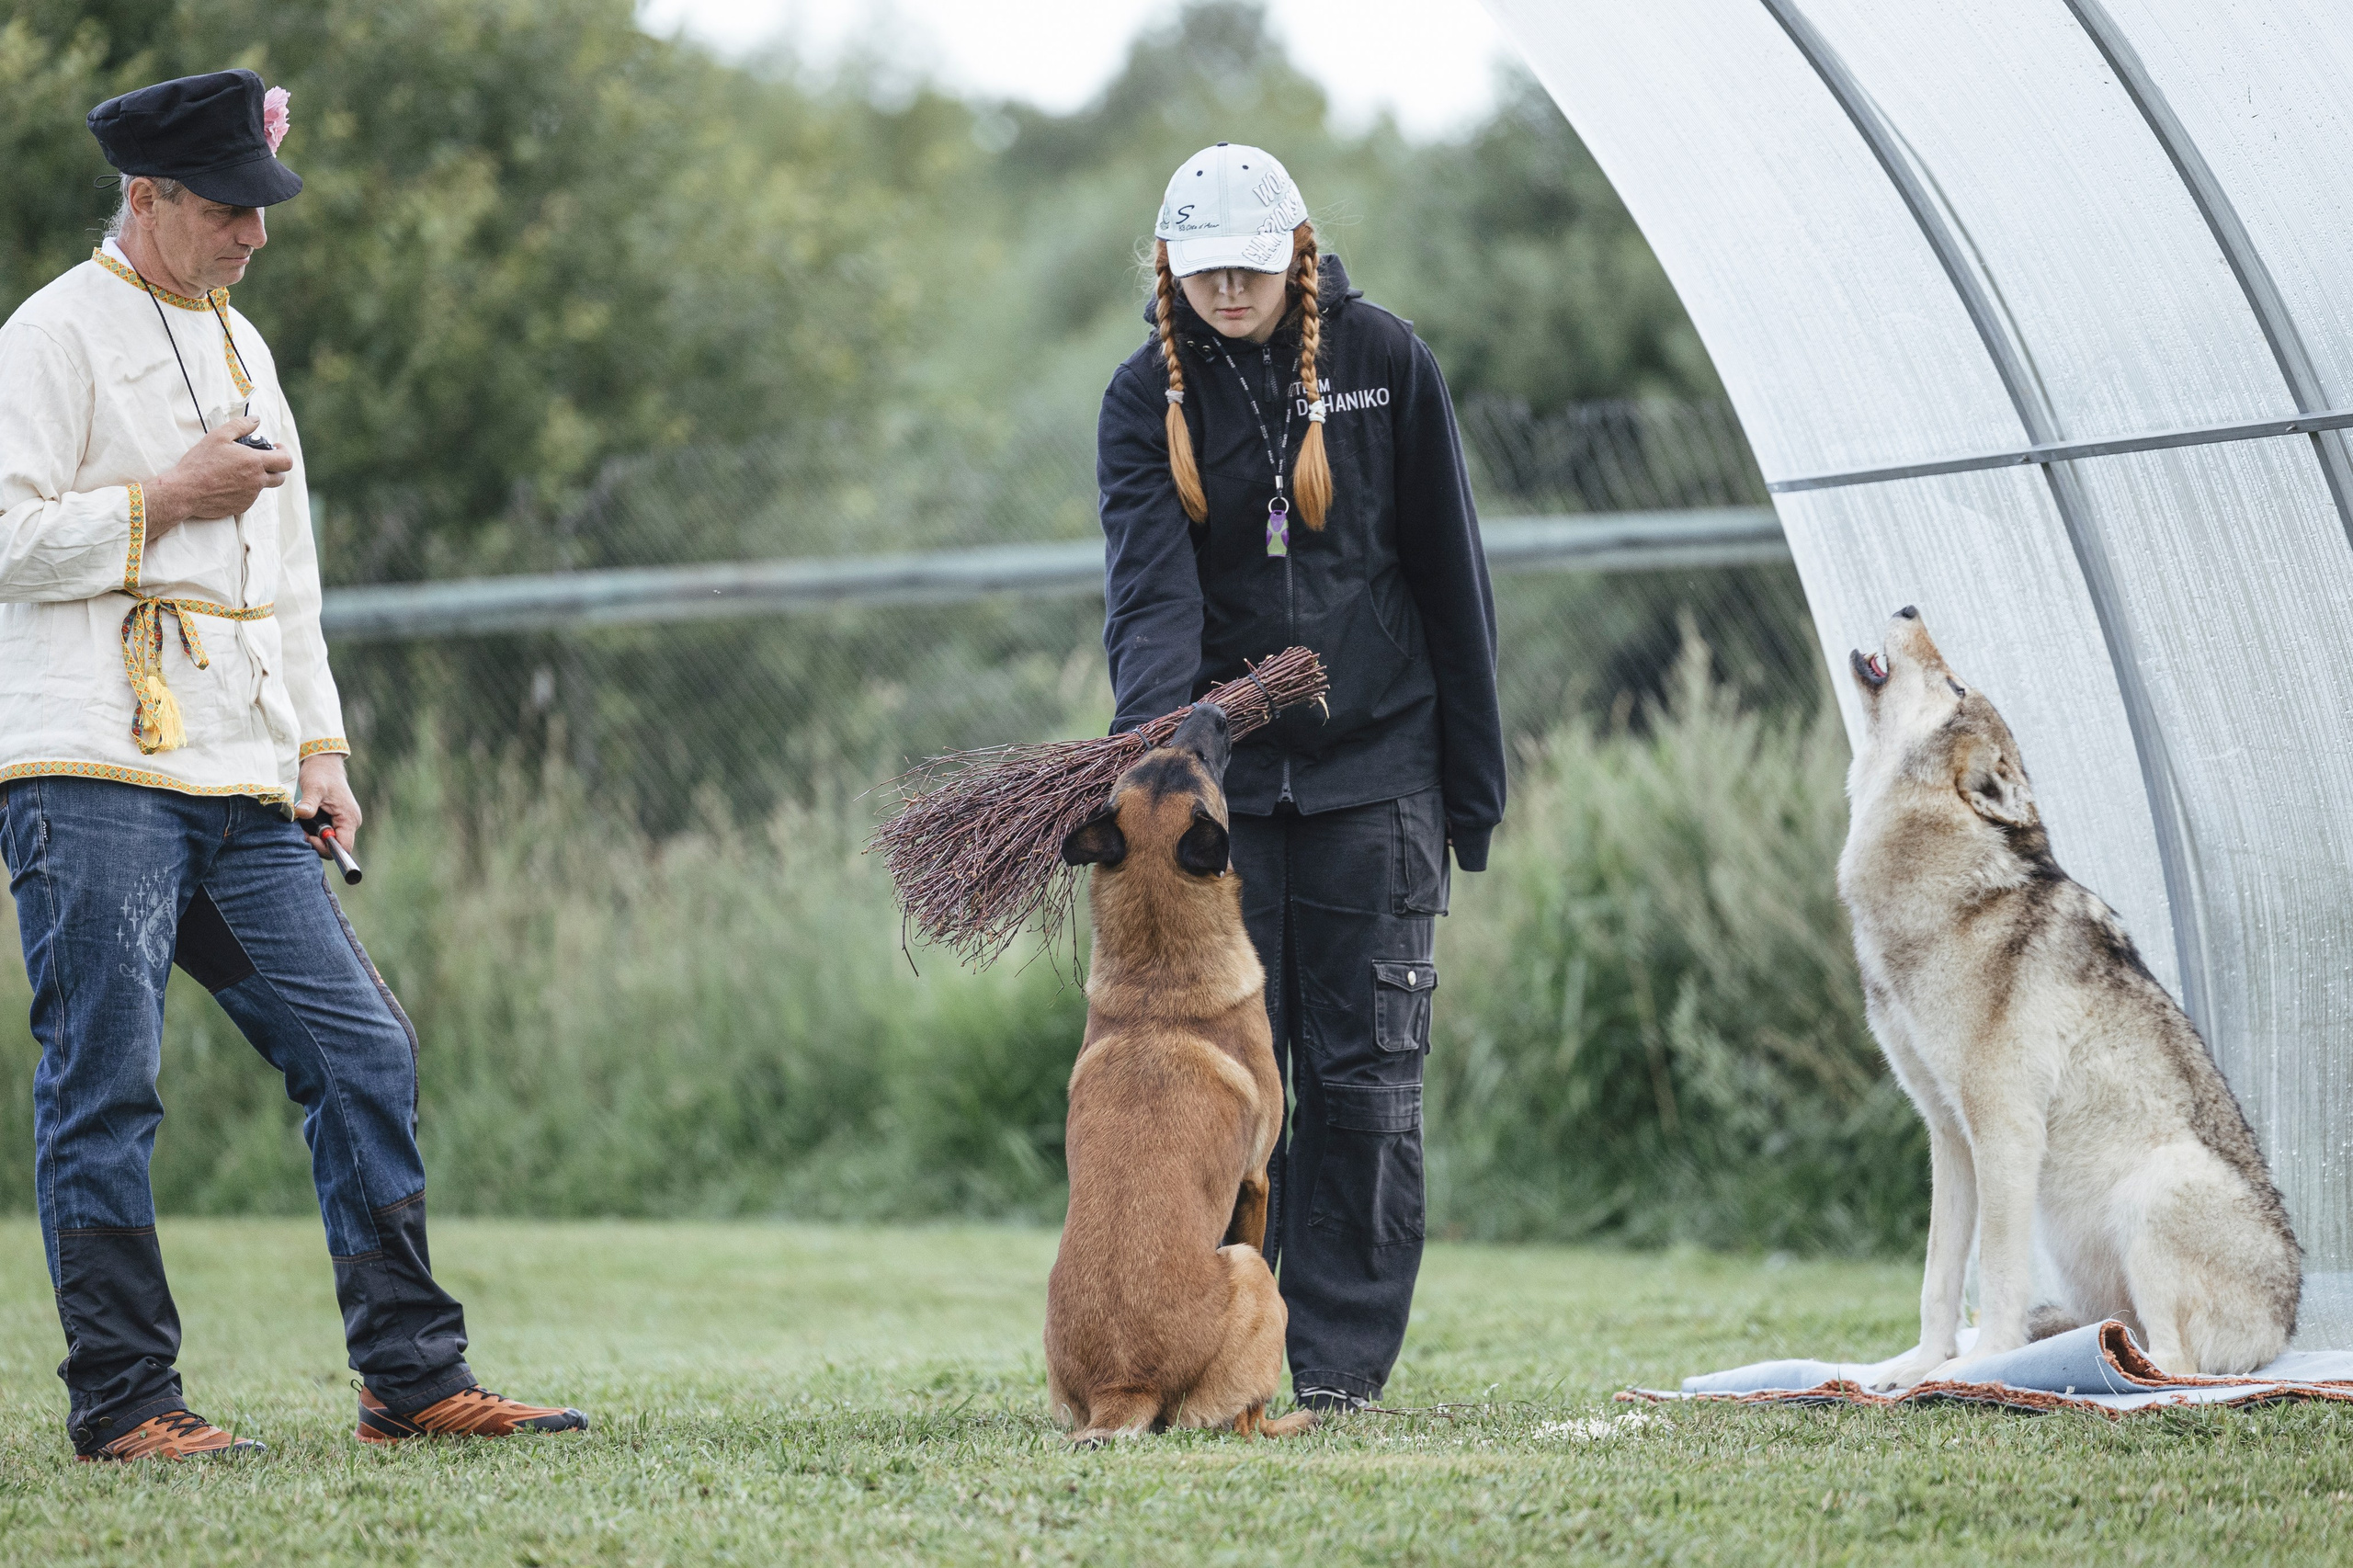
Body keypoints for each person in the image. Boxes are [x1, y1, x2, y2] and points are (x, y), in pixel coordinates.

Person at [0, 69, 585, 1460]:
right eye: (225, 209)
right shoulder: (46, 337)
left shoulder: (249, 347)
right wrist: (162, 503)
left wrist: (318, 742)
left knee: (363, 1045)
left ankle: (412, 1379)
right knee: (109, 1077)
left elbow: (290, 580)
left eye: (259, 208)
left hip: (244, 781)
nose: (254, 234)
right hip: (86, 766)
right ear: (146, 197)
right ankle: (128, 1403)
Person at [1095, 142, 1504, 1412]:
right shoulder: (1136, 400)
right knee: (1219, 1087)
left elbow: (1452, 579)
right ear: (1172, 266)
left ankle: (1333, 1370)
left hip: (1379, 777)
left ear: (1296, 259)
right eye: (1206, 269)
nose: (1231, 291)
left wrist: (1469, 791)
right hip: (1227, 801)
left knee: (1363, 1079)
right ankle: (1218, 1348)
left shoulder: (1387, 364)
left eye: (1252, 270)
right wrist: (1168, 748)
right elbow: (1149, 600)